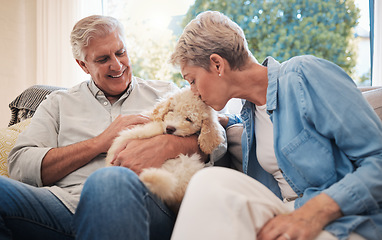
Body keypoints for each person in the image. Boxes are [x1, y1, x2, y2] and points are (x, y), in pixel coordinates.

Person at [0, 15, 224, 240]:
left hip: (146, 205)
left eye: (120, 52)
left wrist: (170, 144)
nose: (117, 65)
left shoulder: (165, 93)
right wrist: (99, 143)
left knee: (109, 180)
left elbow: (217, 136)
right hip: (62, 207)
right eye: (103, 59)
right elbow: (20, 164)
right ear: (83, 65)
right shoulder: (58, 102)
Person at [169, 11, 382, 240]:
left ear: (217, 64)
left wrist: (315, 212)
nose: (193, 92)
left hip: (343, 223)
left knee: (208, 182)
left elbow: (377, 159)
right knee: (210, 184)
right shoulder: (249, 114)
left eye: (192, 80)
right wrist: (221, 122)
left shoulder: (304, 75)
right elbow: (269, 124)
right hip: (285, 216)